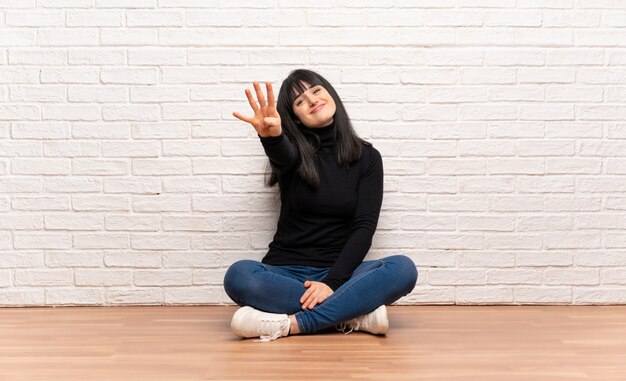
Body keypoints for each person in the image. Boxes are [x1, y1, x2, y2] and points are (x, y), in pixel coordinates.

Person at [224, 69, 418, 342]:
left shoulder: (368, 158)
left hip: (341, 273)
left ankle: (292, 324)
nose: (312, 100)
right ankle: (353, 315)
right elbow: (282, 155)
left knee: (403, 269)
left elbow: (364, 227)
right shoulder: (292, 154)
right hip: (284, 272)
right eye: (300, 101)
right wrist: (272, 137)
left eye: (315, 90)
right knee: (239, 275)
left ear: (329, 92)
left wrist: (331, 283)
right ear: (296, 118)